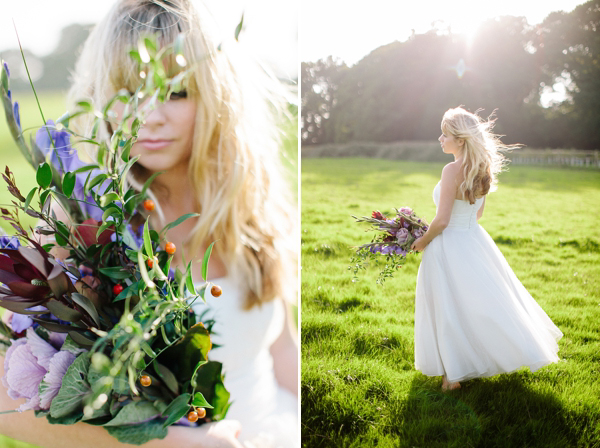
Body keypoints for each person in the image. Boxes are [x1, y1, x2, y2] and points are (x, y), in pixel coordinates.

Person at [0, 1, 298, 447]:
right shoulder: (82, 218)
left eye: (177, 93)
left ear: (218, 95)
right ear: (101, 96)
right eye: (129, 93)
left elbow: (280, 349)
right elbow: (5, 399)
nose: (150, 116)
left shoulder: (245, 200)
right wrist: (169, 445)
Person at [410, 107, 562, 392]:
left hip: (448, 244)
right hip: (474, 241)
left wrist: (422, 240)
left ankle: (451, 378)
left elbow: (442, 220)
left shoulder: (451, 170)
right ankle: (470, 363)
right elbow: (477, 215)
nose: (440, 138)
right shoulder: (482, 168)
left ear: (461, 140)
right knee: (476, 304)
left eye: (445, 134)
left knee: (448, 308)